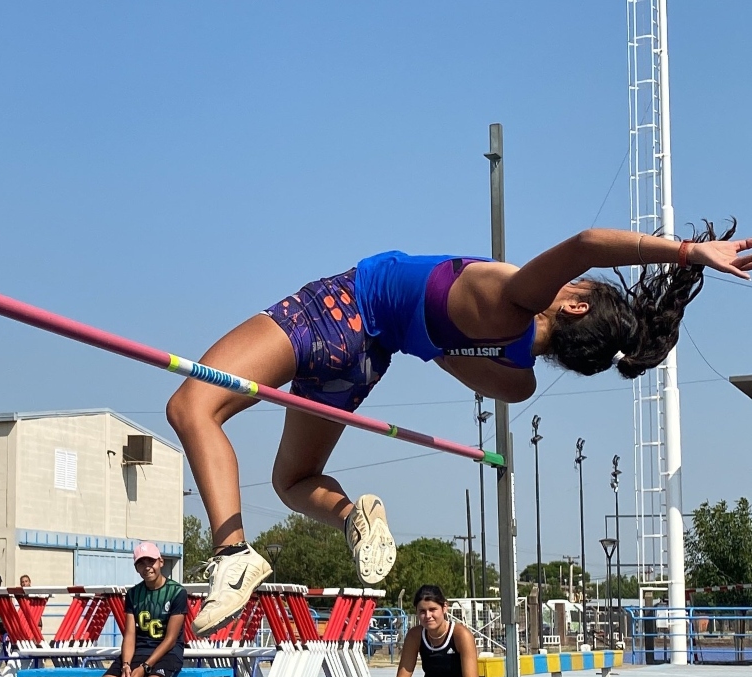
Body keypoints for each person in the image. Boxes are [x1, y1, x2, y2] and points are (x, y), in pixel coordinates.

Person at [167, 225, 752, 636]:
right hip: (366, 359)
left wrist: (688, 253)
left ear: (574, 307)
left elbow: (586, 244)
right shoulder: (517, 380)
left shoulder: (514, 299)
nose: (569, 285)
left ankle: (232, 551)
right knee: (293, 480)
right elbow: (441, 350)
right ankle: (352, 518)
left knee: (192, 406)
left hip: (342, 308)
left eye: (578, 289)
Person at [89, 542, 187, 677]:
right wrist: (126, 665)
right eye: (141, 563)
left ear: (160, 562)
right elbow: (130, 634)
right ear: (136, 567)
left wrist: (144, 668)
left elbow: (171, 639)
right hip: (138, 652)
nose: (147, 567)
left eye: (151, 561)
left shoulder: (177, 592)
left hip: (167, 653)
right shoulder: (134, 594)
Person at [373, 584, 484, 677]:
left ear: (444, 607)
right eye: (422, 611)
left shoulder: (461, 635)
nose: (428, 616)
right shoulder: (415, 635)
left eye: (432, 610)